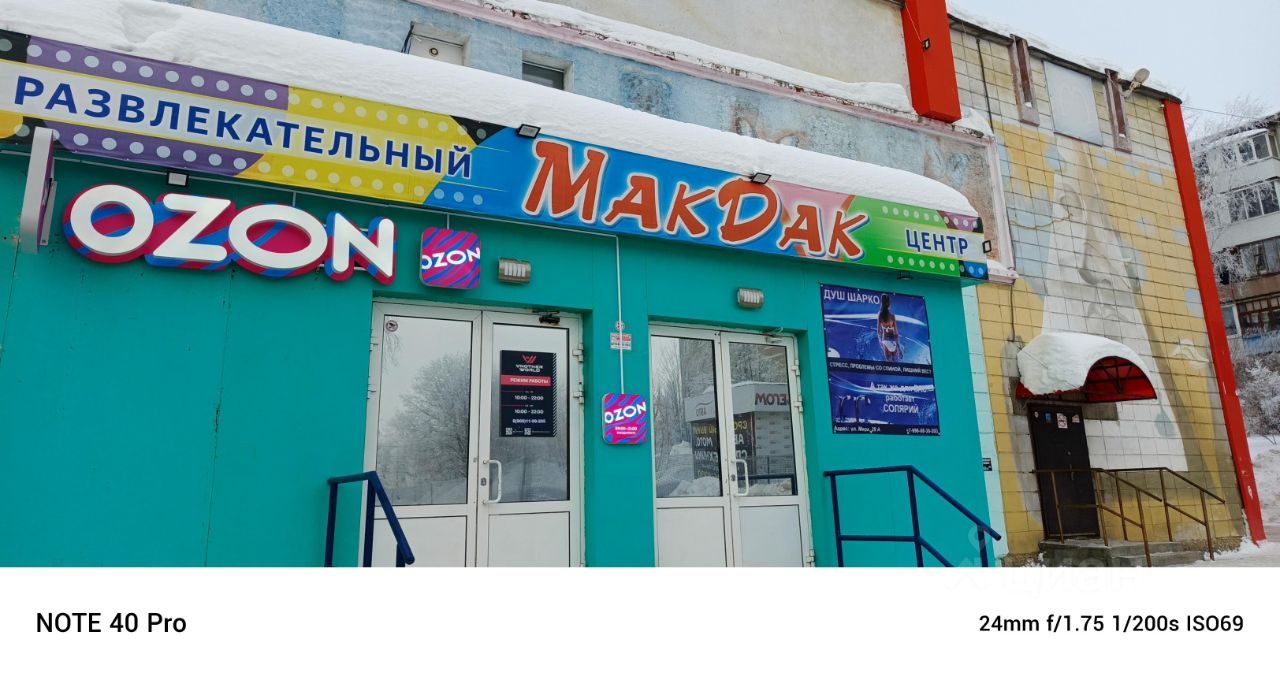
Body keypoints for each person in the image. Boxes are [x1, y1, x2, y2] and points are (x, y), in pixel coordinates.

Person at [877, 295, 903, 361]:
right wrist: (899, 348)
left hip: (885, 341)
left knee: (889, 364)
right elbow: (896, 333)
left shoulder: (880, 315)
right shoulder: (892, 316)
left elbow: (878, 332)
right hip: (893, 341)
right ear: (889, 303)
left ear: (882, 303)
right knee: (895, 364)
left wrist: (881, 343)